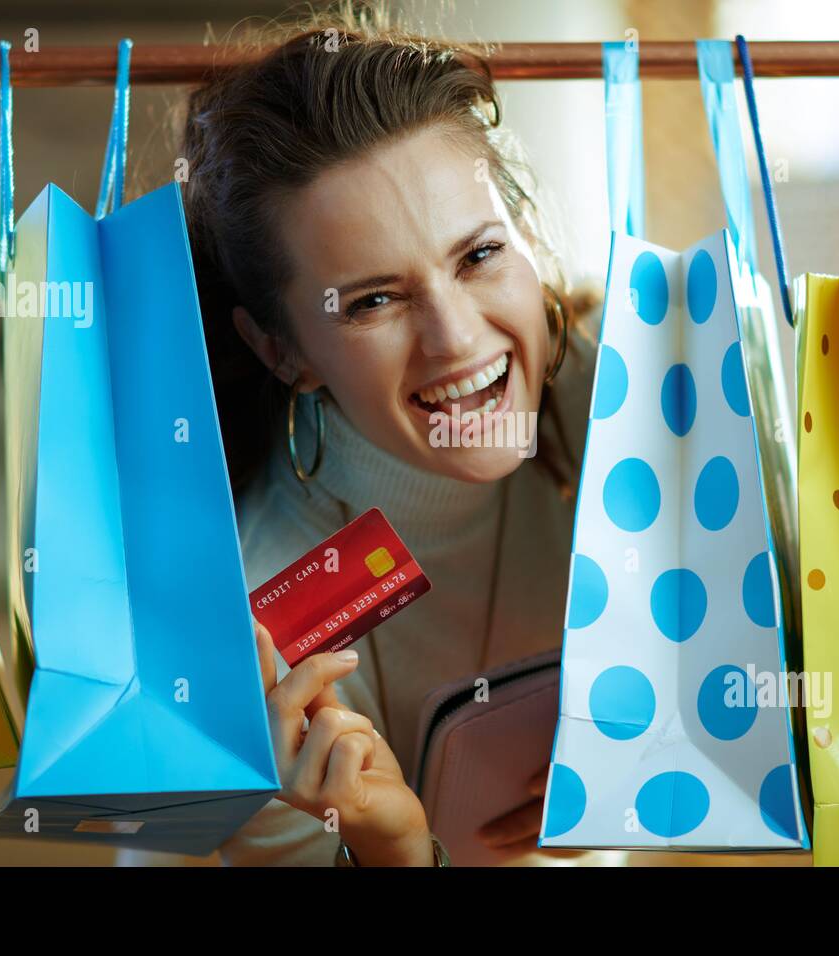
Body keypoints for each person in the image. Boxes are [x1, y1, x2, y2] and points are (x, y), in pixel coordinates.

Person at [171, 1, 599, 866]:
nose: (458, 338)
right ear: (283, 349)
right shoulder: (245, 617)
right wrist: (392, 848)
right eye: (373, 300)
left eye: (478, 256)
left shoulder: (639, 403)